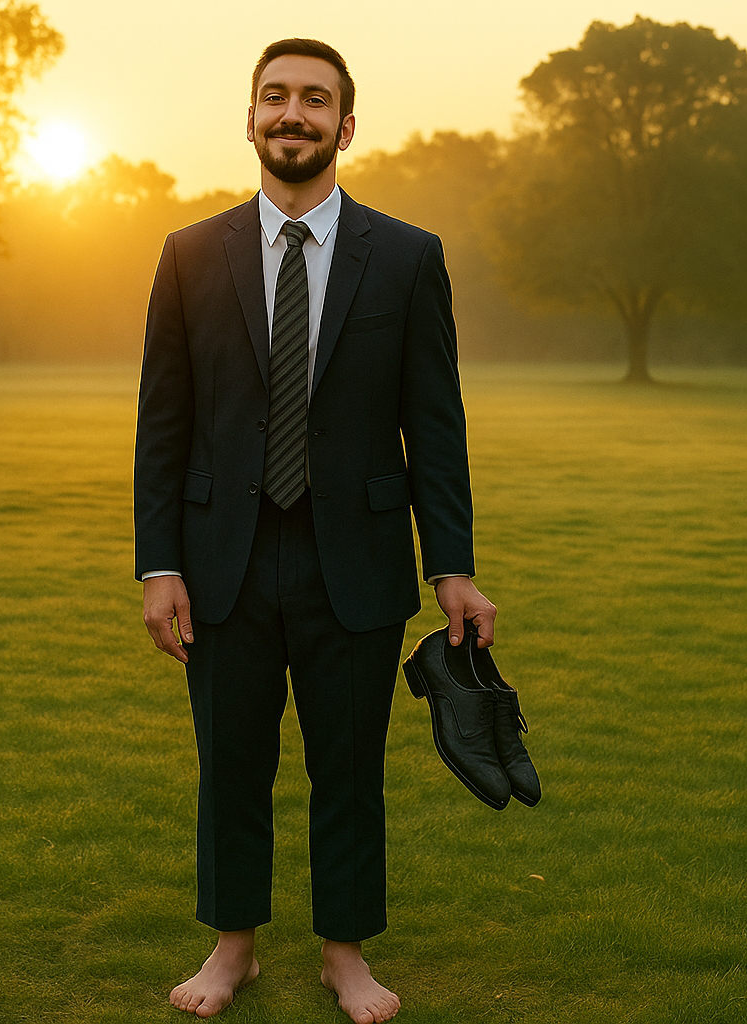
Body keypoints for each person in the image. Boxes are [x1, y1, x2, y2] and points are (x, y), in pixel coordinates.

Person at [134, 38, 496, 1023]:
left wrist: (451, 566)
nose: (293, 114)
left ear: (345, 123)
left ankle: (345, 953)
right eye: (275, 97)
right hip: (223, 563)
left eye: (315, 100)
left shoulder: (410, 257)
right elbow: (162, 422)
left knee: (350, 766)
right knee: (231, 764)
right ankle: (232, 947)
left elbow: (436, 421)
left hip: (360, 559)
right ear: (250, 117)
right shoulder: (188, 255)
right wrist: (159, 563)